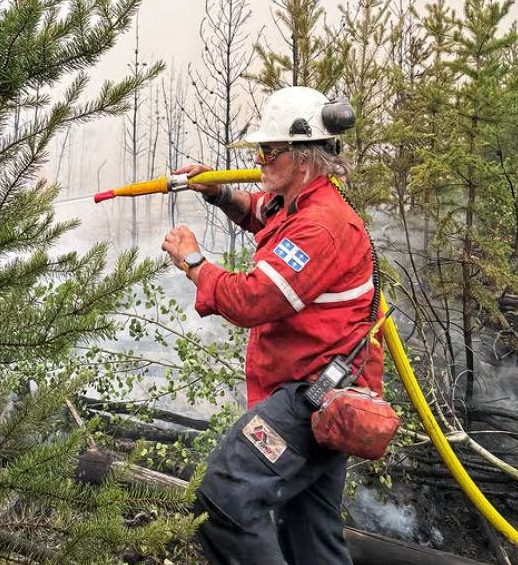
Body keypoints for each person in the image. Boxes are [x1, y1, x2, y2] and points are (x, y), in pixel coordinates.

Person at [161, 86, 384, 565]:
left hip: (312, 395)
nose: (258, 160)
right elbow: (260, 212)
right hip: (325, 393)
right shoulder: (298, 204)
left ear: (301, 157)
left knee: (224, 499)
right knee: (309, 534)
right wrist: (218, 192)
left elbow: (253, 299)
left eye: (268, 151)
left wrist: (194, 262)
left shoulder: (320, 226)